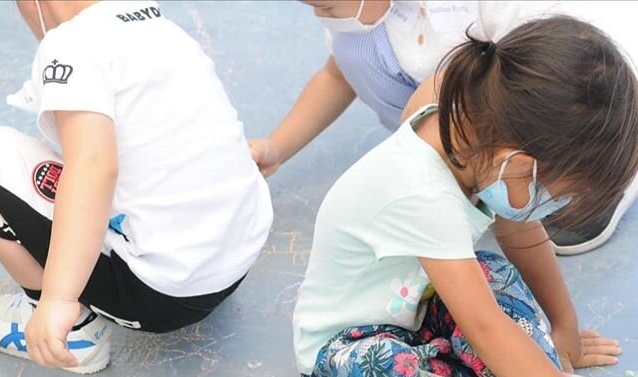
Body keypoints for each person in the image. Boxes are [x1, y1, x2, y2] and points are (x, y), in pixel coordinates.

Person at [292, 15, 638, 377]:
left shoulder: (474, 139)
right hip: (348, 349)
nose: (552, 209)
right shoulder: (420, 188)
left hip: (424, 305)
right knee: (386, 367)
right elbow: (484, 329)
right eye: (557, 194)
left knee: (491, 274)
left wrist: (563, 327)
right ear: (519, 164)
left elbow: (521, 236)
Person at [0, 0, 272, 373]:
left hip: (163, 294)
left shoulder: (70, 45)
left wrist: (58, 298)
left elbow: (94, 167)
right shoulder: (157, 23)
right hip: (232, 260)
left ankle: (72, 328)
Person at [249, 0, 638, 254]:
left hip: (594, 100)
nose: (327, 15)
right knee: (357, 50)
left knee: (584, 135)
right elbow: (337, 75)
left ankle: (604, 181)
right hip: (489, 119)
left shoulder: (499, 11)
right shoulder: (358, 17)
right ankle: (488, 170)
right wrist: (278, 147)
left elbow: (555, 74)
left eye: (330, 6)